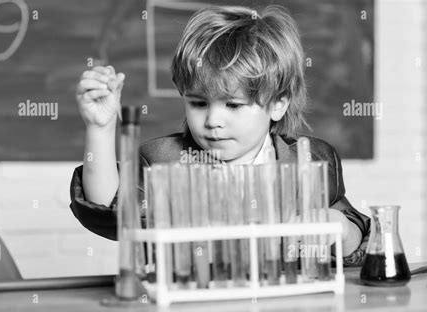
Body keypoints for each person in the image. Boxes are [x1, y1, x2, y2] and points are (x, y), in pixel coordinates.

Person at [70, 5, 370, 266]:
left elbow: (357, 240)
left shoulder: (312, 159)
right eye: (198, 103)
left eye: (234, 105)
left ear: (278, 103)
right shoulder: (162, 161)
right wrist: (100, 129)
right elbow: (110, 212)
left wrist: (341, 231)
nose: (213, 120)